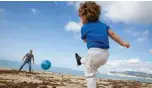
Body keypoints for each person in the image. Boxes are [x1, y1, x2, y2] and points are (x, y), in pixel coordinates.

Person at [75, 1, 130, 88]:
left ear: (86, 15)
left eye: (80, 17)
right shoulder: (104, 25)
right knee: (88, 62)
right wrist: (123, 43)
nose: (80, 19)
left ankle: (80, 61)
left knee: (90, 74)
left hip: (93, 52)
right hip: (105, 55)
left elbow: (84, 40)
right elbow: (112, 34)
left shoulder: (84, 28)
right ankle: (80, 60)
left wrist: (88, 41)